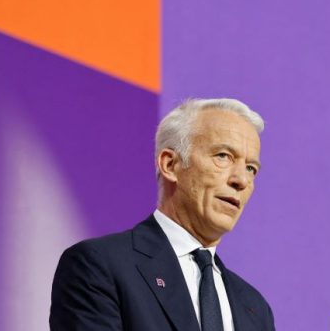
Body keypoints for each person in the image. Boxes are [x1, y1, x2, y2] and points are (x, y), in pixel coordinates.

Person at [51, 99, 275, 330]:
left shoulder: (254, 308)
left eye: (251, 168)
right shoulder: (100, 266)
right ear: (170, 165)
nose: (241, 180)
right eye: (223, 156)